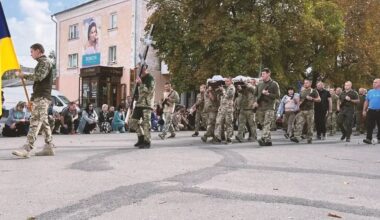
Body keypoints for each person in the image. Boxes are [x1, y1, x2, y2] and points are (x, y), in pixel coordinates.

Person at [12, 43, 55, 158]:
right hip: (39, 96)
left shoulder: (45, 62)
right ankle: (48, 147)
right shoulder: (42, 63)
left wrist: (23, 75)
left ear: (38, 51)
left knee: (35, 121)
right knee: (43, 121)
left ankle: (27, 148)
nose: (30, 54)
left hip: (42, 97)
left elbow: (39, 76)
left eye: (32, 51)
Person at [128, 65, 155, 148]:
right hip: (138, 103)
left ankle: (147, 142)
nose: (138, 69)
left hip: (146, 104)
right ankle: (141, 138)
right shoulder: (139, 78)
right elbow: (135, 91)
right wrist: (131, 100)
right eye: (137, 68)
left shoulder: (150, 78)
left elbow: (150, 90)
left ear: (144, 68)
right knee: (132, 122)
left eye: (139, 68)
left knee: (146, 123)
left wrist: (141, 84)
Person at [290, 79, 321, 144]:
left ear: (310, 83)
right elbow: (300, 100)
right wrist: (298, 103)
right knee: (299, 123)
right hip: (302, 110)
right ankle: (297, 137)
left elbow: (319, 99)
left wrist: (312, 99)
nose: (305, 84)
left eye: (307, 83)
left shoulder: (314, 91)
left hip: (310, 110)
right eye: (304, 83)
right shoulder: (302, 92)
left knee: (310, 125)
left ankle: (309, 138)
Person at [256, 68, 280, 146]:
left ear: (268, 74)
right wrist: (255, 102)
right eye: (262, 74)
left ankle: (263, 138)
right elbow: (255, 94)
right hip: (260, 108)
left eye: (263, 74)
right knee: (263, 124)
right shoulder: (259, 84)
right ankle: (268, 140)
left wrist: (268, 94)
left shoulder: (274, 84)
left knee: (267, 123)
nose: (262, 75)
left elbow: (277, 96)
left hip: (269, 107)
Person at [213, 77, 235, 144]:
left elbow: (228, 96)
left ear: (231, 82)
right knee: (218, 122)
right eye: (225, 81)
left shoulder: (232, 88)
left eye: (227, 81)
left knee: (228, 124)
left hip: (228, 109)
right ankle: (217, 137)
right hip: (222, 108)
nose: (226, 82)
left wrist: (223, 90)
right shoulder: (226, 88)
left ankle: (229, 138)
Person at [236, 78, 258, 142]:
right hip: (243, 108)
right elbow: (240, 91)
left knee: (252, 124)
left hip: (250, 109)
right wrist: (238, 86)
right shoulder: (245, 89)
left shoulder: (254, 88)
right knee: (241, 124)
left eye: (249, 82)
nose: (248, 83)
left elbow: (253, 90)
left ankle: (254, 136)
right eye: (248, 82)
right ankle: (240, 136)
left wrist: (247, 84)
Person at [363, 79, 380, 144]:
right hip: (371, 110)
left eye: (375, 82)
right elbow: (366, 101)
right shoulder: (370, 91)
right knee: (369, 125)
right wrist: (364, 110)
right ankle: (368, 138)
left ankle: (379, 138)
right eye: (373, 82)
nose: (373, 83)